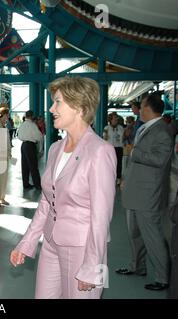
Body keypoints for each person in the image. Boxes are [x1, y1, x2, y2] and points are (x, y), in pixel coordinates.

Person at [10, 76, 117, 299]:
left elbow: (101, 217)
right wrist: (26, 242)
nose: (51, 108)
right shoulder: (55, 148)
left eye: (57, 102)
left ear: (79, 107)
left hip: (83, 249)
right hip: (51, 242)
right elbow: (47, 202)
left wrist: (92, 266)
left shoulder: (100, 151)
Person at [118, 93, 174, 291]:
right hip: (135, 191)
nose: (138, 110)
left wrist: (135, 152)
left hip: (148, 195)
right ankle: (137, 266)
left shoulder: (162, 131)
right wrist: (126, 179)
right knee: (134, 234)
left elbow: (160, 160)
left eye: (141, 106)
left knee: (152, 236)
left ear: (149, 108)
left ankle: (162, 278)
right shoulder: (145, 128)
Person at [17, 110, 43, 190]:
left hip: (23, 145)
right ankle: (37, 185)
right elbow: (38, 136)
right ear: (31, 116)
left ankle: (26, 184)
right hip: (30, 146)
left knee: (24, 166)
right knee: (33, 166)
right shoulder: (32, 125)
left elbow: (18, 135)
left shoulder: (22, 125)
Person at [103, 113, 124, 185]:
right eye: (114, 118)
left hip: (118, 147)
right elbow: (105, 138)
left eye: (117, 118)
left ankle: (118, 178)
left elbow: (123, 138)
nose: (116, 120)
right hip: (110, 148)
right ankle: (110, 178)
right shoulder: (106, 128)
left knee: (118, 163)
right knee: (110, 163)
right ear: (110, 120)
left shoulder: (121, 128)